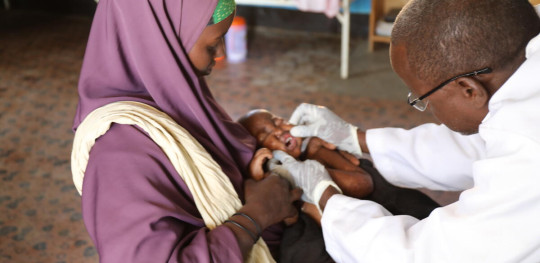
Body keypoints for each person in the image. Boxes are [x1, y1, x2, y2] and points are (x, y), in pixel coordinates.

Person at [272, 0, 540, 262]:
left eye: (424, 99)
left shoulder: (529, 150)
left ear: (469, 89)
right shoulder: (521, 70)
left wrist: (325, 197)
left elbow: (425, 255)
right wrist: (354, 139)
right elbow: (483, 145)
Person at [70, 0, 303, 262]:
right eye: (213, 44)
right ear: (162, 41)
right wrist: (254, 217)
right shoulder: (118, 153)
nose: (220, 53)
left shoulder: (179, 101)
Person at [238, 109, 440, 221]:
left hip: (397, 206)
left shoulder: (316, 146)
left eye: (278, 120)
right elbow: (287, 218)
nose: (278, 130)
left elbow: (363, 181)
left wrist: (340, 142)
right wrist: (259, 178)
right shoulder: (282, 176)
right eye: (265, 135)